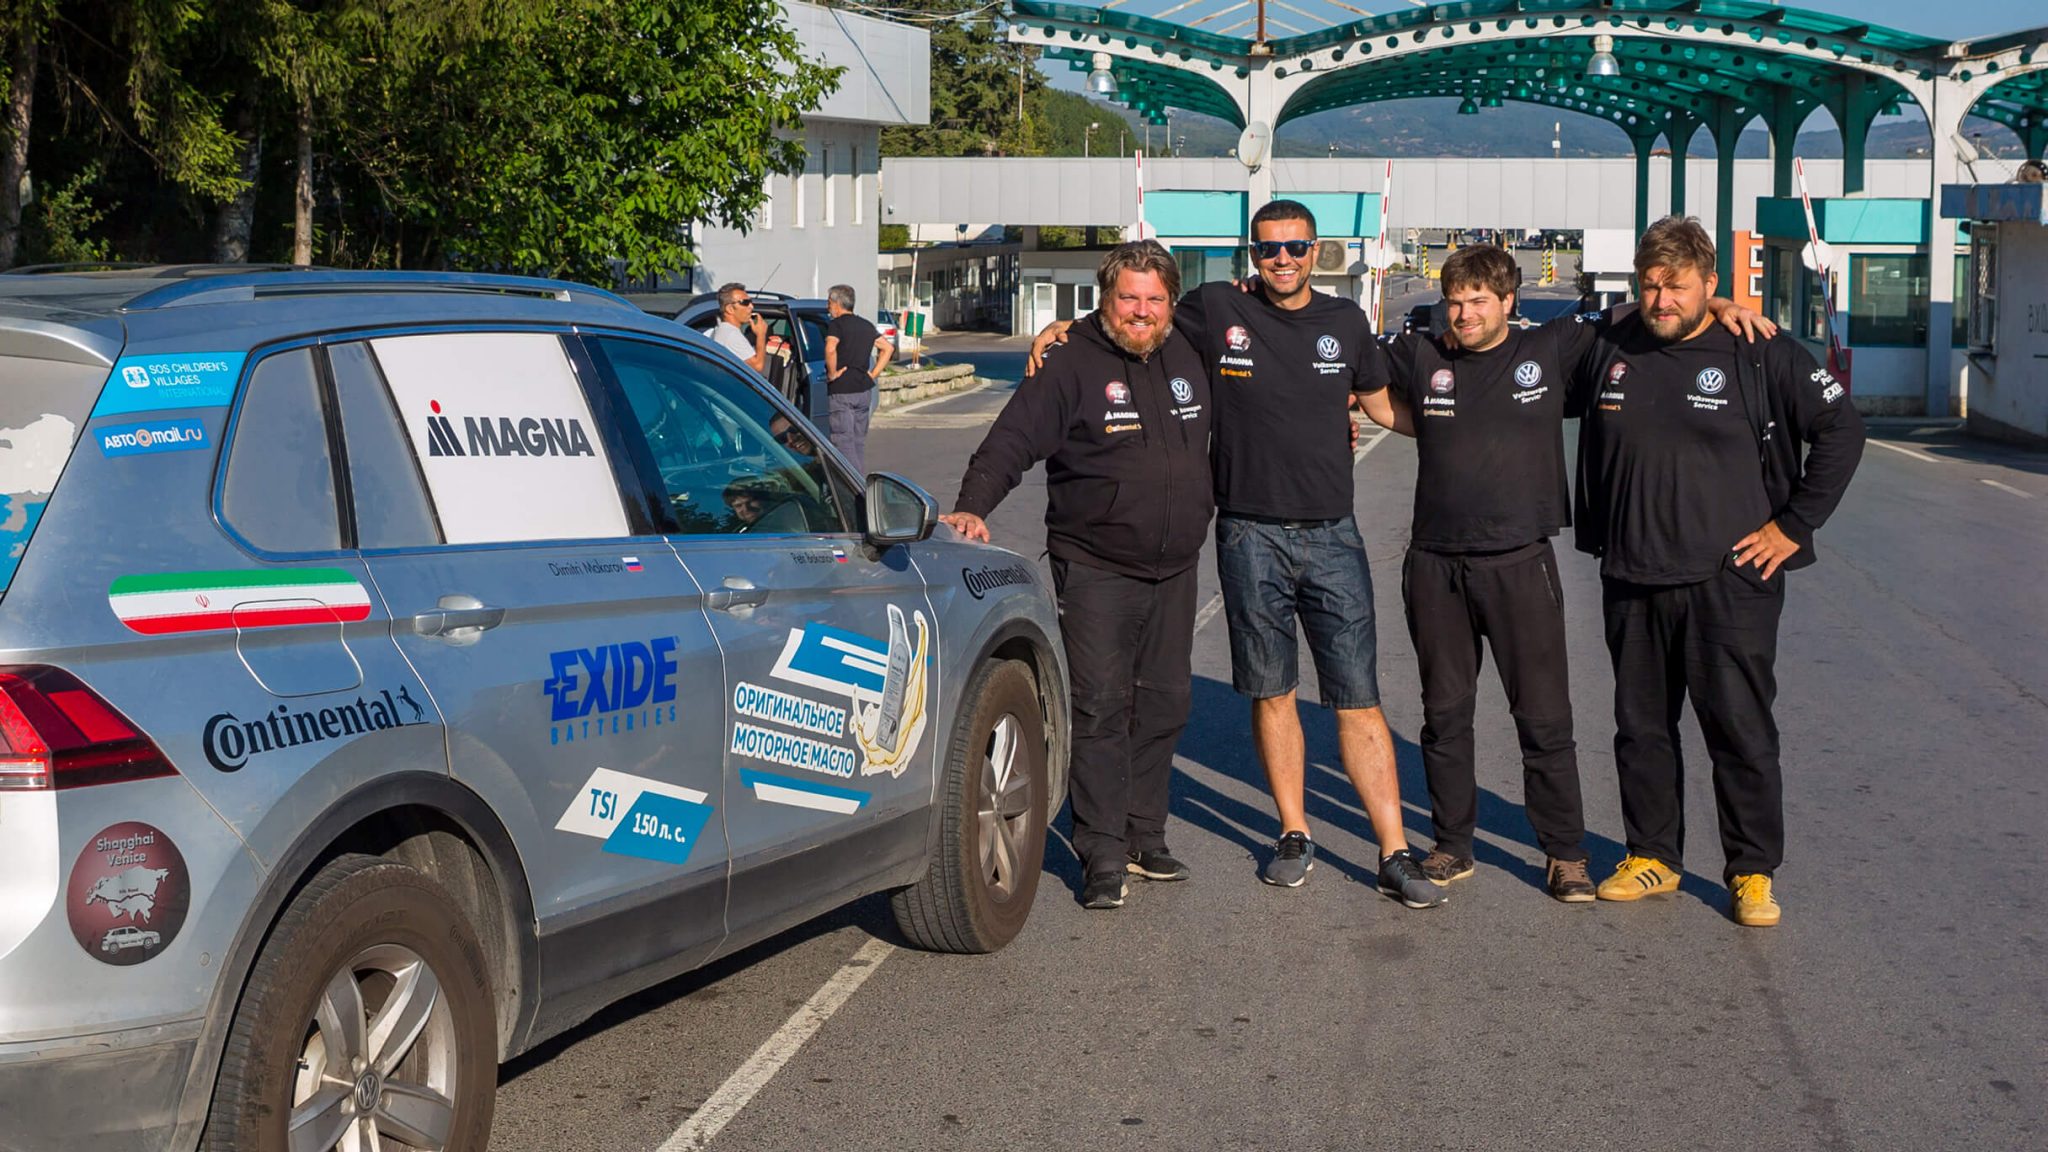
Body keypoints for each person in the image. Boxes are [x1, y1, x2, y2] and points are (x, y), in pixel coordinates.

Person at [1034, 199, 1442, 909]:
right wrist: (1064, 330)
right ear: (1251, 253)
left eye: (1295, 247)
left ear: (1318, 251)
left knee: (1358, 697)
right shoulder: (1215, 308)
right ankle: (1293, 833)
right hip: (1248, 533)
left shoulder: (1346, 321)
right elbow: (1138, 315)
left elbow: (1380, 406)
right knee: (1272, 691)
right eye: (1268, 248)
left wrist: (1463, 429)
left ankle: (1394, 850)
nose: (1282, 259)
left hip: (1332, 534)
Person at [1358, 245, 1774, 904]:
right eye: (1455, 302)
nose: (1464, 315)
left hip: (1521, 562)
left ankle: (1565, 853)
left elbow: (1643, 310)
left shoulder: (1550, 348)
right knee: (1445, 715)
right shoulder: (1421, 353)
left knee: (1544, 720)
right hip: (1436, 564)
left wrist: (1720, 303)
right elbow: (1361, 375)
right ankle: (1452, 845)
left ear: (1508, 302)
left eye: (1477, 302)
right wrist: (1411, 422)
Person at [1572, 216, 1865, 927]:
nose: (1661, 300)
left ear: (1710, 283)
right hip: (1633, 572)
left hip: (1730, 581)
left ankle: (1753, 872)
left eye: (1677, 286)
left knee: (1739, 730)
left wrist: (1792, 527)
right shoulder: (1612, 344)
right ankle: (1653, 856)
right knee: (1641, 727)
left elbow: (1842, 428)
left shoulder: (1757, 352)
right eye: (1650, 285)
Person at [941, 240, 1213, 911]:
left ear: (1172, 302)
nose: (1142, 311)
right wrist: (973, 505)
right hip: (1096, 566)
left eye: (1154, 299)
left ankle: (1144, 835)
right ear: (1105, 298)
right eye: (1129, 298)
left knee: (1164, 703)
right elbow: (1013, 438)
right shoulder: (1070, 362)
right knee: (1100, 706)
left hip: (1175, 566)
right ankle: (1102, 852)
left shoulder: (1189, 348)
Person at [823, 284, 893, 475]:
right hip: (863, 390)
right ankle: (858, 479)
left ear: (837, 303)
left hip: (842, 391)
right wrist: (873, 374)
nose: (828, 307)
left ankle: (856, 484)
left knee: (843, 442)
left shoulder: (836, 325)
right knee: (858, 442)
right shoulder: (866, 325)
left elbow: (830, 348)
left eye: (829, 302)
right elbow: (887, 348)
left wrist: (832, 373)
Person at [712, 282, 768, 373]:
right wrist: (761, 335)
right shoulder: (731, 334)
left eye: (750, 302)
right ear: (730, 309)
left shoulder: (723, 330)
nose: (751, 306)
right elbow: (758, 366)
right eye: (745, 302)